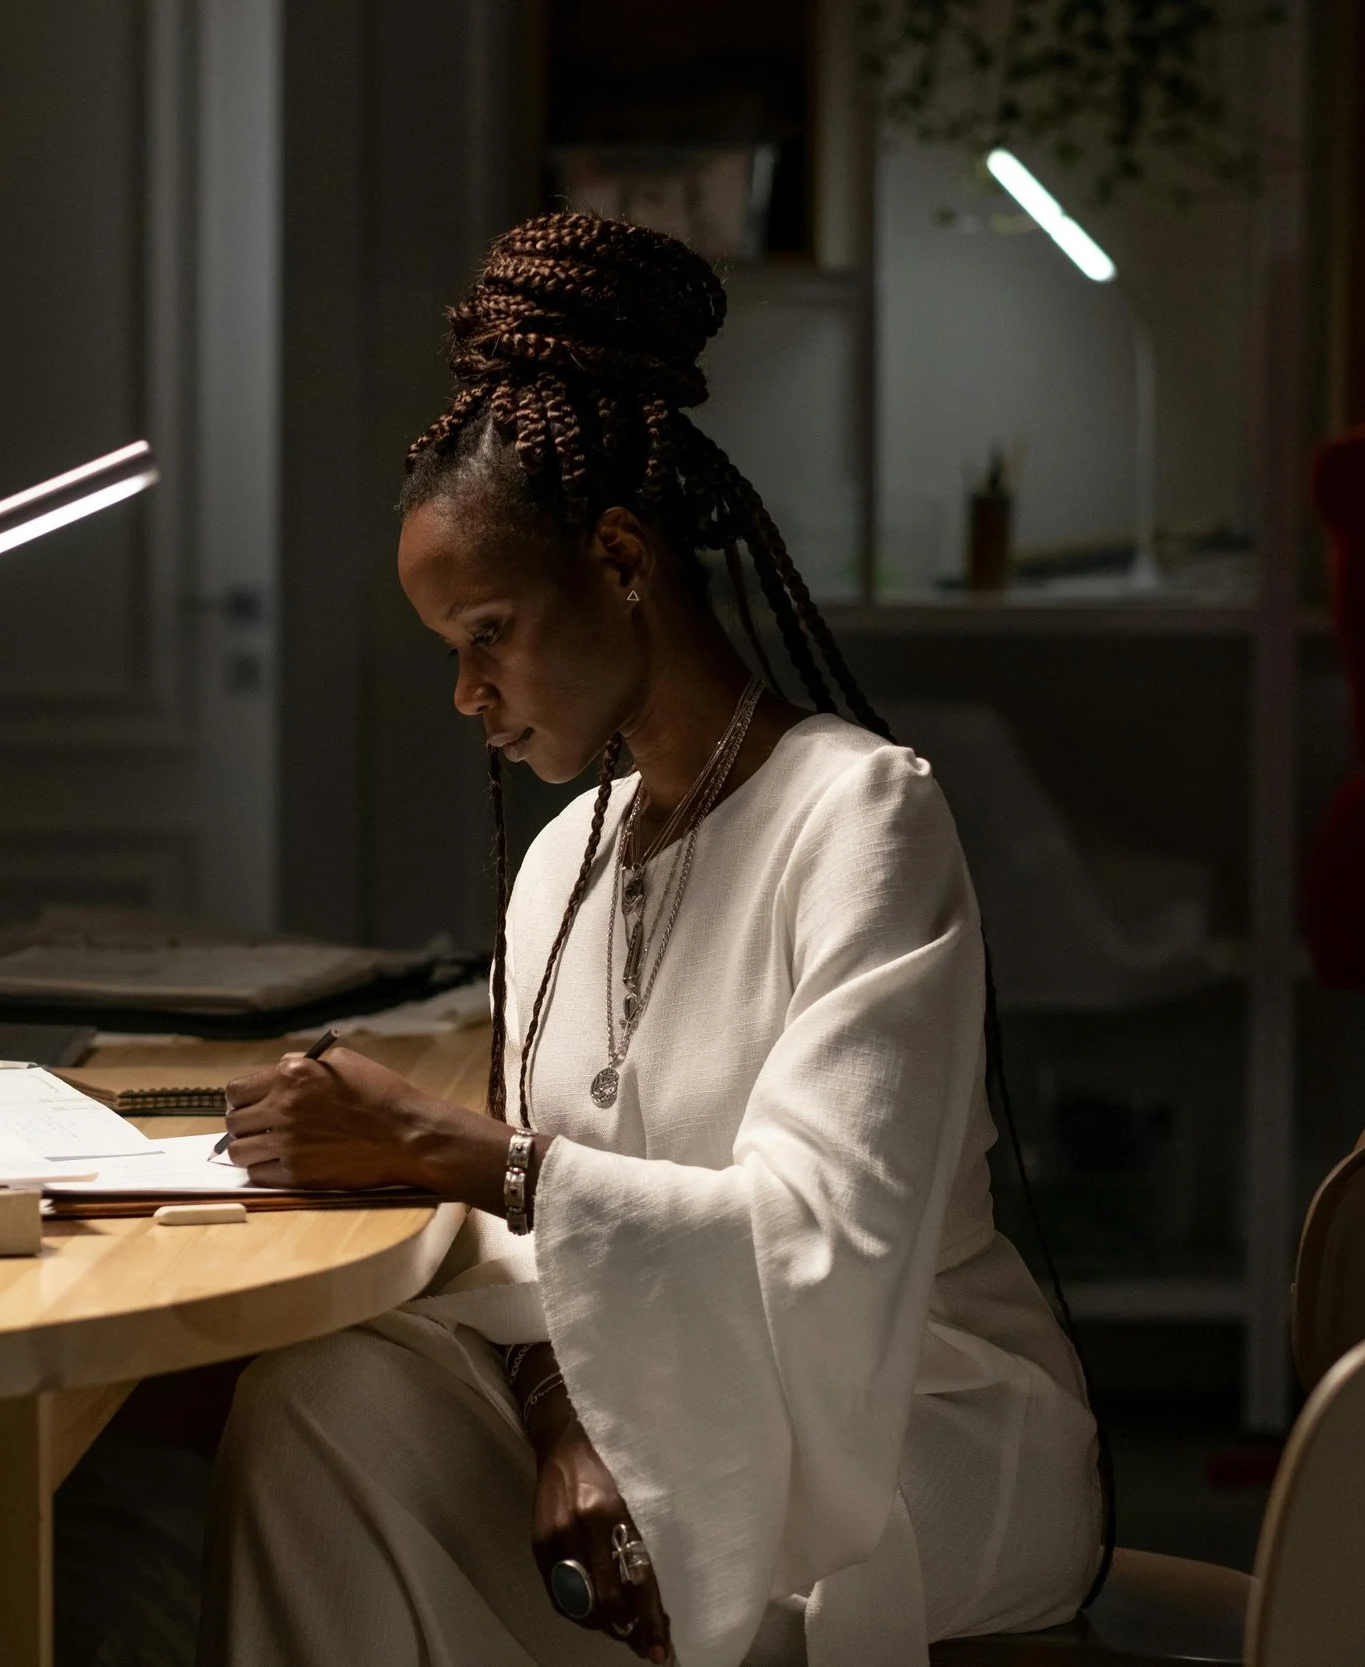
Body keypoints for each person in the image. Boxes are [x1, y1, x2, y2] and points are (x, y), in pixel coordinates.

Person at [202, 213, 1101, 1667]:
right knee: (319, 1399)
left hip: (905, 1413)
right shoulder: (567, 855)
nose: (468, 696)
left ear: (620, 559)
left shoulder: (862, 818)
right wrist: (567, 1413)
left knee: (597, 1526)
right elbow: (527, 1252)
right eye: (450, 651)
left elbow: (822, 1244)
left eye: (488, 631)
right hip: (658, 1374)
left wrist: (450, 1148)